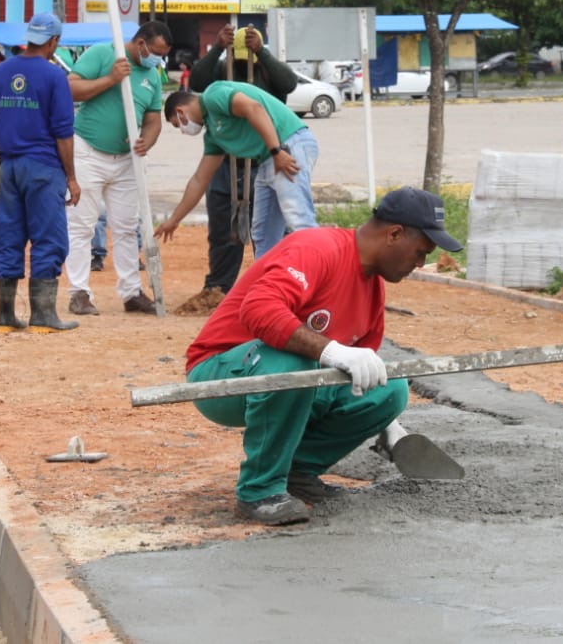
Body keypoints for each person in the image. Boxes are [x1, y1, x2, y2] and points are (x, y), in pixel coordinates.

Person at [179, 186, 464, 525]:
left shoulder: (372, 290)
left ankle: (296, 472)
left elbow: (359, 372)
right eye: (420, 252)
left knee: (389, 388)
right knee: (296, 364)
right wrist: (331, 350)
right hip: (220, 374)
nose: (419, 264)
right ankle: (259, 491)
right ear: (394, 234)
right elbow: (258, 308)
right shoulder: (317, 249)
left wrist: (387, 423)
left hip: (293, 377)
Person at [0, 12, 81, 334]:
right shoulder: (55, 77)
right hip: (43, 169)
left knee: (8, 237)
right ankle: (43, 316)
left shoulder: (0, 73)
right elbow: (63, 133)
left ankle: (5, 317)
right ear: (53, 41)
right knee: (48, 238)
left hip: (9, 168)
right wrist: (72, 177)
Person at [63, 21, 170, 316]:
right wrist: (111, 79)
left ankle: (131, 292)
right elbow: (70, 88)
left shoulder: (152, 75)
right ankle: (79, 292)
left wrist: (146, 141)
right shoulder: (103, 54)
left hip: (127, 161)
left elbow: (154, 119)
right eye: (156, 52)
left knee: (126, 227)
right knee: (81, 226)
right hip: (88, 153)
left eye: (162, 55)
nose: (158, 59)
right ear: (141, 44)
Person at [187, 25, 297, 294]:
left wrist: (263, 54)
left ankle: (275, 285)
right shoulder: (221, 72)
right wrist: (217, 49)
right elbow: (197, 82)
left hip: (264, 160)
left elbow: (289, 83)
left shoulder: (266, 71)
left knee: (271, 228)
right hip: (226, 161)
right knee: (223, 230)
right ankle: (218, 287)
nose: (241, 62)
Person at [156, 80, 318, 255]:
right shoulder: (214, 135)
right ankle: (267, 273)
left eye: (177, 124)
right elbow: (199, 180)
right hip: (268, 159)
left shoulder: (213, 95)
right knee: (263, 234)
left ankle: (324, 268)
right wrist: (174, 220)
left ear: (180, 111)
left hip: (287, 145)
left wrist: (277, 151)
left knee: (299, 220)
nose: (182, 130)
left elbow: (253, 108)